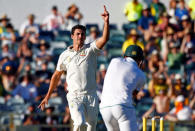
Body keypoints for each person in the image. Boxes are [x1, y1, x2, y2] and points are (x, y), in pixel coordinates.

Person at [38, 5, 109, 131]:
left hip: (91, 96)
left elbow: (104, 39)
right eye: (77, 34)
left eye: (82, 34)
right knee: (80, 123)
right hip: (74, 96)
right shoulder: (64, 55)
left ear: (85, 37)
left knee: (91, 127)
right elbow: (56, 76)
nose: (80, 36)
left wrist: (106, 22)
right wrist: (47, 96)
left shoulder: (90, 49)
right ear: (72, 36)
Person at [100, 45, 146, 131]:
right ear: (140, 61)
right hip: (122, 106)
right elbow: (133, 95)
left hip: (104, 107)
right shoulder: (142, 75)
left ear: (125, 56)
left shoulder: (114, 61)